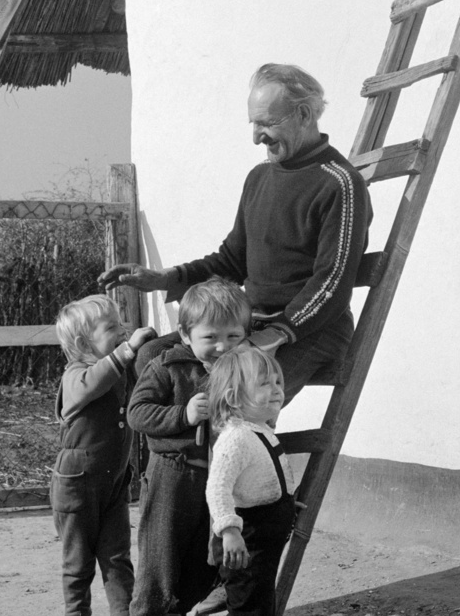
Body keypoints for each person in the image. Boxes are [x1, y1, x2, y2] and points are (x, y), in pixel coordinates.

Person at [99, 63, 371, 406]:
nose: (257, 136)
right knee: (151, 356)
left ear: (303, 115)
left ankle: (227, 455)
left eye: (267, 123)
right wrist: (165, 279)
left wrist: (275, 334)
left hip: (311, 333)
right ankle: (182, 457)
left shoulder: (341, 184)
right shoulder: (258, 178)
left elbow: (331, 284)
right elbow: (232, 260)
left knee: (230, 395)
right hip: (246, 326)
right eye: (253, 124)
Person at [124, 277, 251, 616]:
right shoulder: (168, 366)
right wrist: (183, 415)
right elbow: (137, 414)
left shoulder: (241, 370)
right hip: (171, 475)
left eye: (234, 335)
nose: (223, 345)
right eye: (211, 336)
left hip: (216, 480)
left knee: (204, 558)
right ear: (185, 334)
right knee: (160, 556)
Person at [51, 294, 155, 616]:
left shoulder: (119, 371)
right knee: (77, 557)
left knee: (116, 554)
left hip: (113, 480)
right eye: (111, 327)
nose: (123, 331)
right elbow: (90, 385)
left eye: (121, 324)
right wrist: (125, 351)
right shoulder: (75, 376)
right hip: (76, 483)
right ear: (83, 344)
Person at [205, 344, 297, 616]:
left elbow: (270, 475)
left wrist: (290, 497)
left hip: (266, 536)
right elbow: (218, 487)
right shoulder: (236, 438)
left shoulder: (260, 430)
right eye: (265, 383)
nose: (276, 389)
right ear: (234, 397)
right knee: (247, 607)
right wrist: (229, 530)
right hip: (244, 539)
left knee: (264, 602)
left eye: (278, 381)